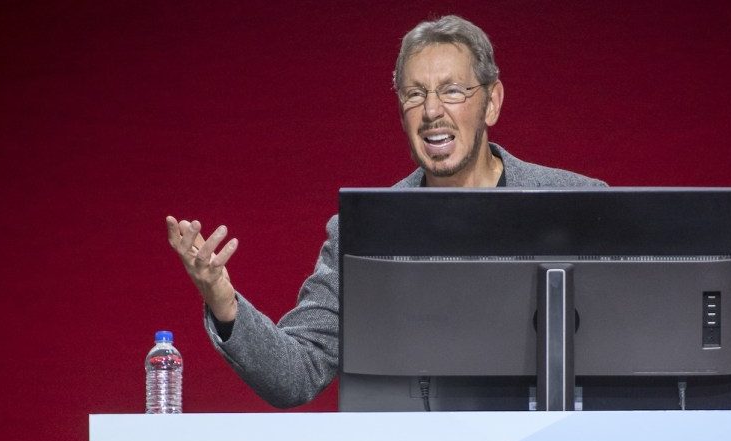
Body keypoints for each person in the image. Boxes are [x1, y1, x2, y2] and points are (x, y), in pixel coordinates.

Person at [166, 15, 605, 407]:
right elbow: (296, 374)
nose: (431, 111)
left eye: (452, 91)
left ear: (491, 102)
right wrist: (223, 301)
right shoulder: (364, 230)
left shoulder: (580, 204)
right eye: (414, 94)